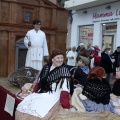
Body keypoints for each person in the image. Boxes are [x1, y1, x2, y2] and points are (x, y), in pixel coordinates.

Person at [15, 49, 73, 120]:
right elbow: (39, 83)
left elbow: (65, 89)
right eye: (58, 58)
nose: (60, 60)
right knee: (24, 106)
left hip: (54, 94)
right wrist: (34, 93)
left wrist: (65, 106)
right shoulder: (46, 67)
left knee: (40, 110)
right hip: (42, 91)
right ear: (52, 59)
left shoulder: (64, 71)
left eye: (62, 58)